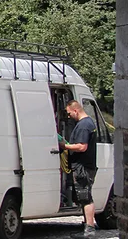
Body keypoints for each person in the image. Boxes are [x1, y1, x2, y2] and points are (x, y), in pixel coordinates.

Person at [60, 100, 97, 237]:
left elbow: (82, 146)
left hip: (83, 168)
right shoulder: (88, 123)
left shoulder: (83, 125)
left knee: (86, 197)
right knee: (84, 197)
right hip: (85, 166)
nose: (69, 116)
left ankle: (90, 229)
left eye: (69, 113)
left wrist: (65, 146)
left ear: (75, 110)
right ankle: (87, 226)